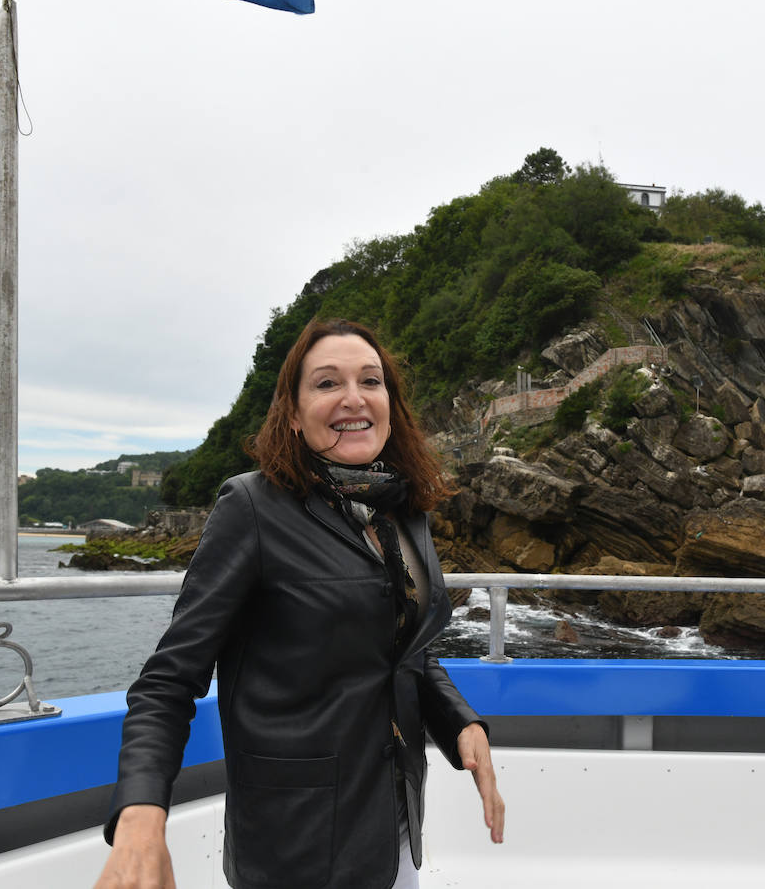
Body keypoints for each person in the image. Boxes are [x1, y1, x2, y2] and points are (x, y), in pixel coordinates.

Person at [94, 319, 504, 889]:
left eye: (371, 380)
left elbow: (405, 649)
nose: (353, 398)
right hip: (296, 841)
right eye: (327, 383)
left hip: (395, 821)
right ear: (292, 411)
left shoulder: (403, 510)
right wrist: (140, 814)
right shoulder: (252, 508)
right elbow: (169, 680)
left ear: (391, 402)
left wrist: (461, 724)